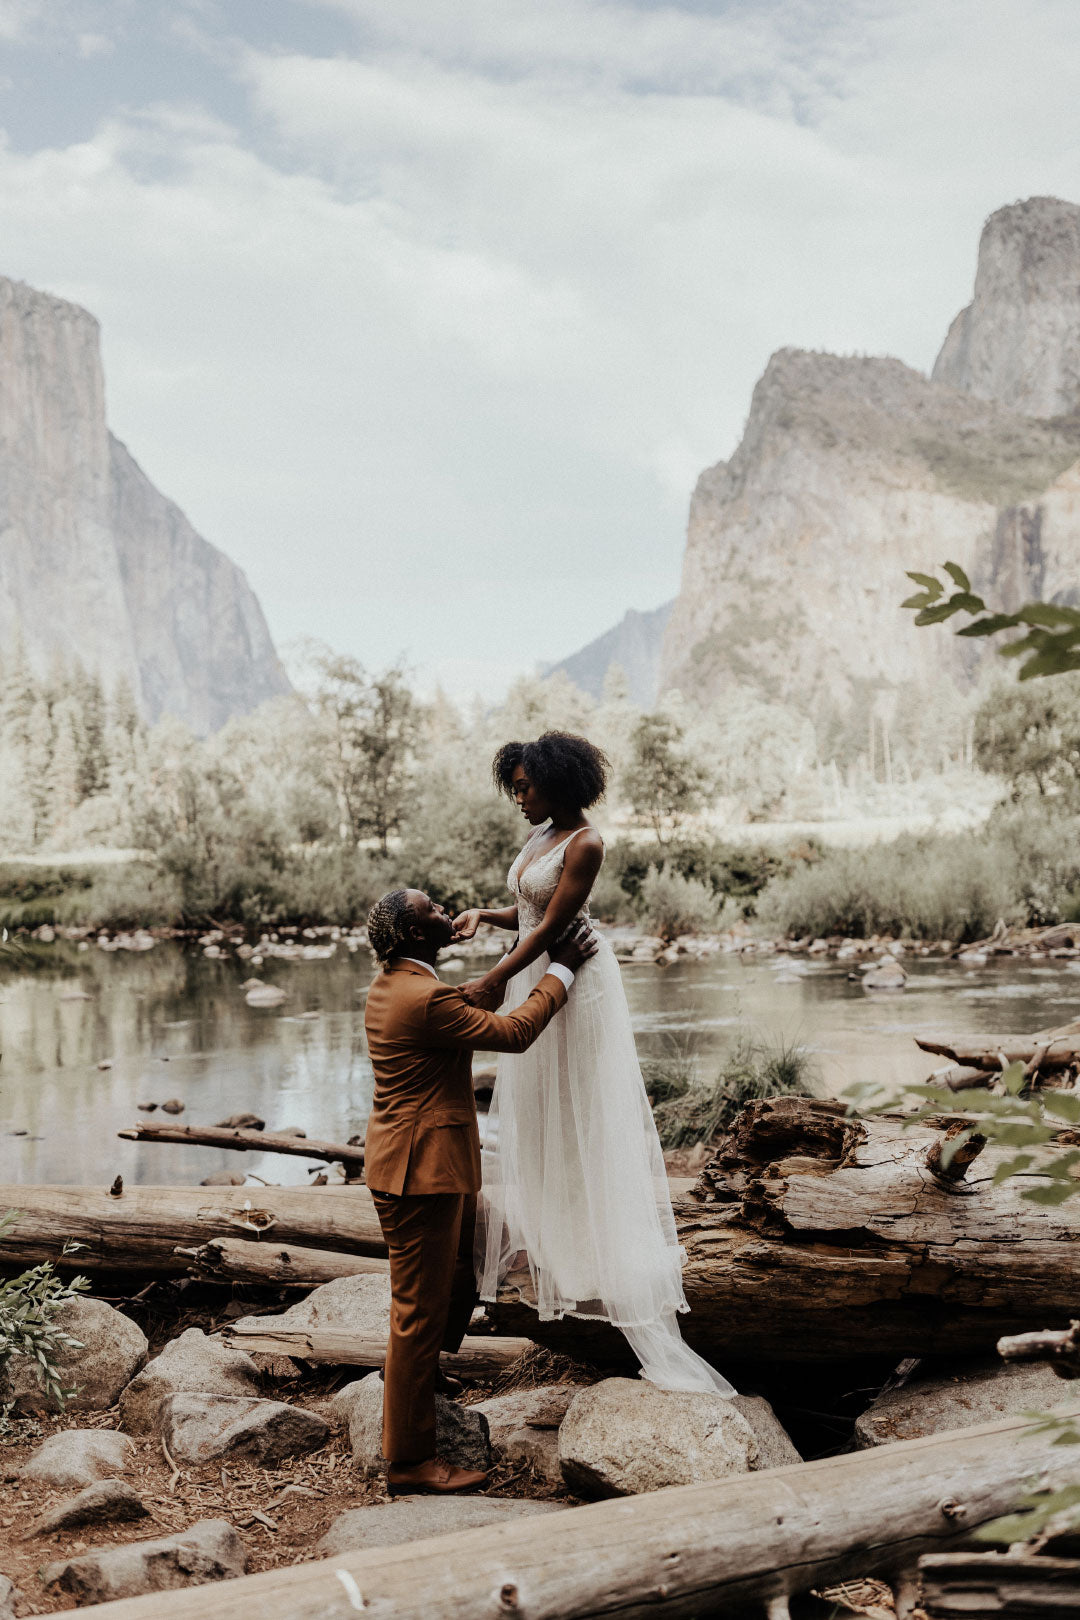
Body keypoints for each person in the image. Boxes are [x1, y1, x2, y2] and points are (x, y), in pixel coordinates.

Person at [453, 732, 734, 1396]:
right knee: (542, 1115)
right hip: (537, 971)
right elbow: (526, 910)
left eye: (525, 786)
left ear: (558, 782)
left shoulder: (588, 843)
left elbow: (552, 927)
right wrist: (483, 916)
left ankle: (609, 1254)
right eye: (514, 787)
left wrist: (496, 979)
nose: (518, 797)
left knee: (581, 1108)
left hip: (574, 982)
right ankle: (567, 1248)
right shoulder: (541, 835)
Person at [363, 885, 597, 1496]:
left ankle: (422, 1379)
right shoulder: (424, 998)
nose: (446, 911)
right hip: (420, 1174)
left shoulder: (404, 983)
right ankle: (410, 1461)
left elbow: (462, 1002)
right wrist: (562, 972)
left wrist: (507, 959)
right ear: (417, 936)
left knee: (466, 1263)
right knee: (414, 1312)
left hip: (431, 1165)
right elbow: (515, 1033)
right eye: (433, 910)